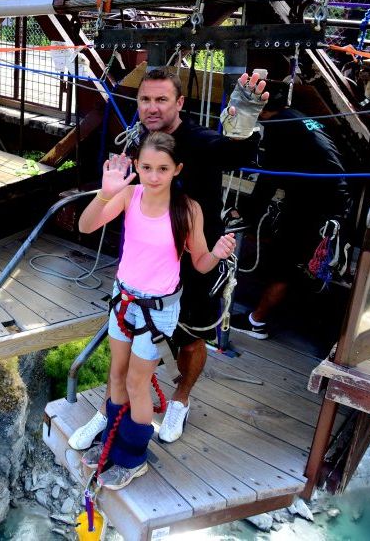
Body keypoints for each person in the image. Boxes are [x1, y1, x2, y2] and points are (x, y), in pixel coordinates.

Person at [68, 67, 267, 450]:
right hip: (147, 267)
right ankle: (111, 411)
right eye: (145, 99)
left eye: (161, 99)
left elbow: (234, 151)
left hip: (196, 257)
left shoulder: (199, 140)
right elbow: (102, 212)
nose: (152, 107)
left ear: (179, 102)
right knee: (124, 355)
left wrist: (243, 123)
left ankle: (180, 400)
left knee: (192, 338)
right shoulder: (141, 141)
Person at [76, 133, 236, 488]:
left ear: (177, 169)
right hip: (124, 301)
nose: (153, 175)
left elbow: (201, 262)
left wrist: (218, 253)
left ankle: (133, 458)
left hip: (157, 310)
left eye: (162, 169)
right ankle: (114, 443)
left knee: (136, 382)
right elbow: (85, 226)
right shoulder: (128, 196)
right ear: (136, 165)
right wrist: (105, 192)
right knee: (117, 375)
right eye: (146, 167)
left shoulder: (187, 210)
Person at [230, 85, 351, 339]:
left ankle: (257, 322)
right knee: (290, 261)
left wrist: (246, 214)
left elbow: (268, 178)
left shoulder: (279, 127)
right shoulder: (299, 118)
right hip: (334, 199)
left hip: (314, 206)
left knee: (283, 264)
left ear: (261, 109)